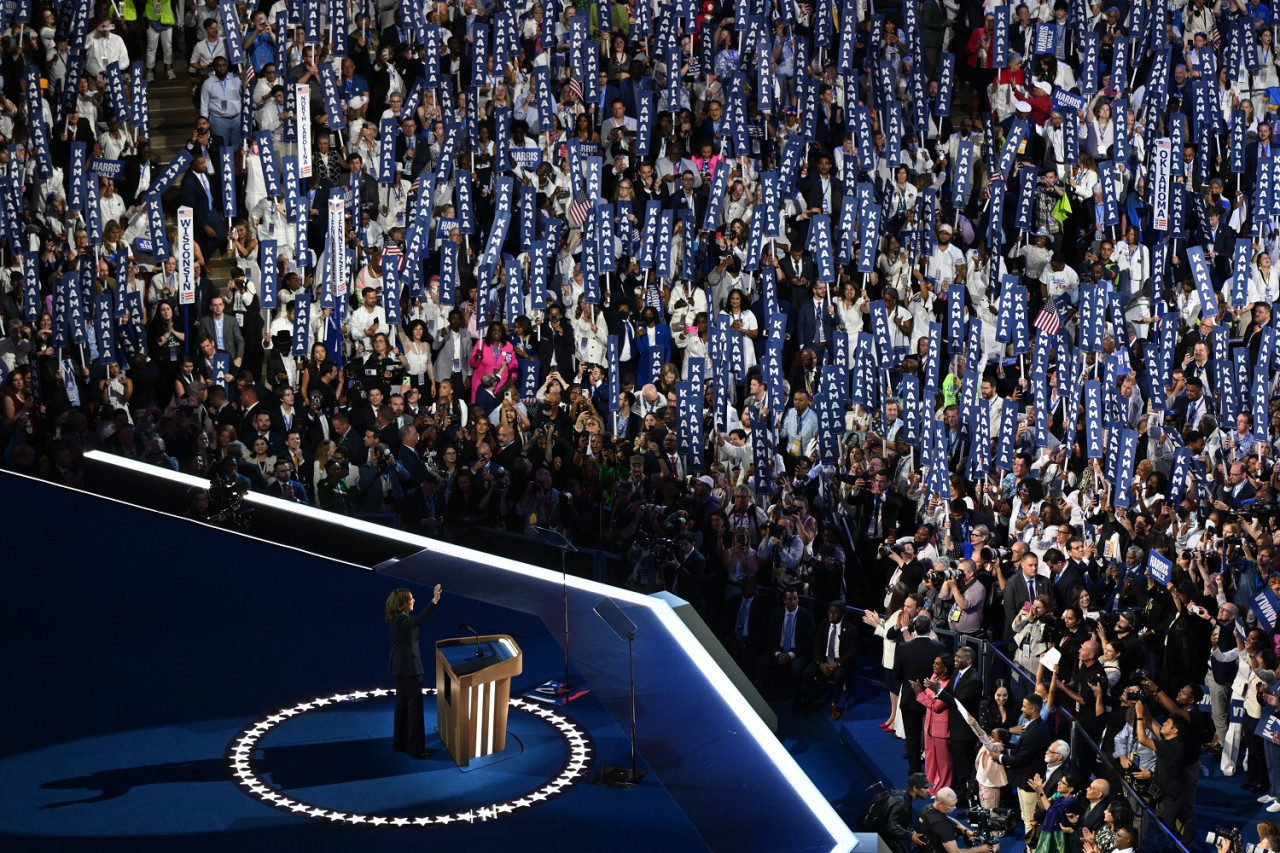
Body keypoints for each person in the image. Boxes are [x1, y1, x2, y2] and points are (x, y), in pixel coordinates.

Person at [386, 584, 442, 759]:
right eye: (411, 598)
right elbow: (417, 621)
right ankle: (417, 749)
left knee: (402, 706)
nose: (413, 600)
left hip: (400, 667)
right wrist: (434, 601)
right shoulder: (402, 620)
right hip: (410, 669)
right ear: (403, 603)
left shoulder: (397, 618)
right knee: (414, 710)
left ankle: (401, 744)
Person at [918, 787, 994, 853]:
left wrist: (965, 830)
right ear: (939, 804)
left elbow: (948, 818)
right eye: (951, 805)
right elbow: (954, 851)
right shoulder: (943, 826)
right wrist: (980, 849)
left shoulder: (926, 808)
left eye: (955, 804)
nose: (955, 808)